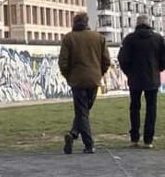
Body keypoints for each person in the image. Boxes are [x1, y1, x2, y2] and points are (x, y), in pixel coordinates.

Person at [58, 12, 111, 155]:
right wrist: (99, 73)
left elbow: (63, 62)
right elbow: (106, 61)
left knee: (82, 112)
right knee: (84, 111)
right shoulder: (99, 38)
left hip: (77, 81)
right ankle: (79, 137)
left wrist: (68, 76)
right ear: (87, 22)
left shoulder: (69, 38)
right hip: (94, 80)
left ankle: (80, 138)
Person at [118, 14, 165, 148]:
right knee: (151, 108)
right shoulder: (158, 39)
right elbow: (163, 59)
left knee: (134, 107)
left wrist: (129, 73)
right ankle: (148, 140)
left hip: (135, 78)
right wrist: (158, 69)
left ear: (137, 24)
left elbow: (122, 59)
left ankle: (134, 138)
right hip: (152, 77)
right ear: (149, 24)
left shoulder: (129, 39)